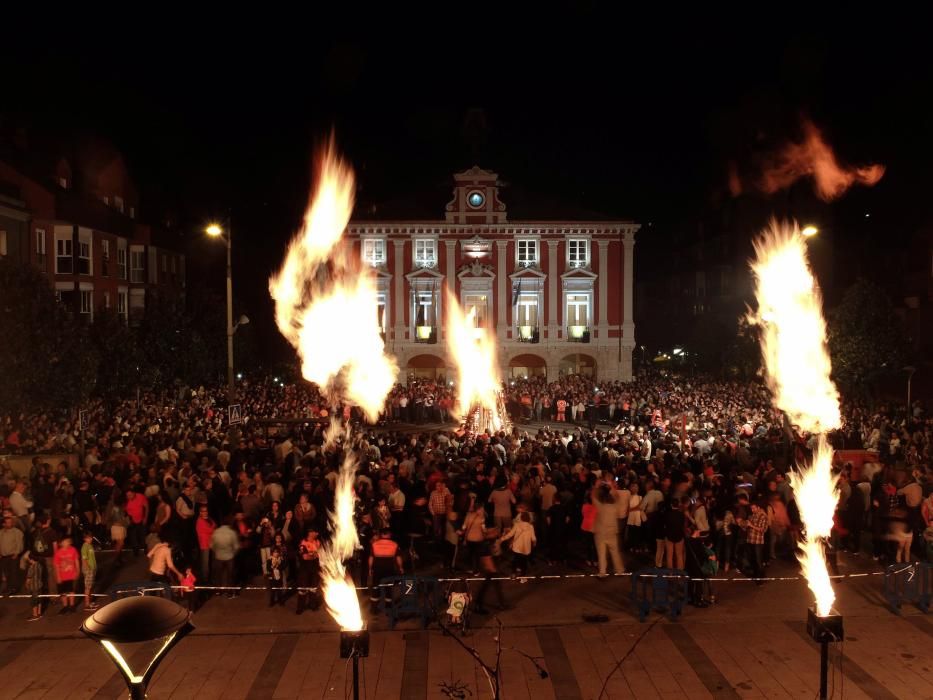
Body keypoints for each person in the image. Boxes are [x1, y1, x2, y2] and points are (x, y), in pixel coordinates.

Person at [592, 485, 625, 578]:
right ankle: (620, 570)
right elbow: (618, 497)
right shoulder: (614, 506)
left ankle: (602, 572)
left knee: (601, 553)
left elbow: (593, 496)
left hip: (600, 532)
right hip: (612, 532)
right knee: (615, 552)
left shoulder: (600, 506)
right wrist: (611, 487)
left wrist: (596, 485)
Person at [369, 528, 403, 612]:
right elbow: (398, 558)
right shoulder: (394, 544)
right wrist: (401, 567)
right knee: (388, 587)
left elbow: (371, 558)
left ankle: (373, 609)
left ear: (381, 534)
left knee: (376, 587)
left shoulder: (375, 544)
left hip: (377, 569)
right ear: (389, 534)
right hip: (389, 569)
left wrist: (370, 568)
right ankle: (388, 607)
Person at [499, 512, 536, 581]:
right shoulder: (531, 526)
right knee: (524, 562)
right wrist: (534, 543)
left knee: (515, 560)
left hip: (517, 547)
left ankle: (513, 574)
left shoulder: (517, 525)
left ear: (521, 518)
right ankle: (523, 577)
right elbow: (533, 538)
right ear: (528, 518)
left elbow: (510, 534)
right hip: (526, 548)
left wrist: (502, 539)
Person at [210, 517, 239, 597]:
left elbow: (212, 545)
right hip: (229, 556)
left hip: (218, 556)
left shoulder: (216, 532)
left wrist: (217, 551)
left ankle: (219, 591)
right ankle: (230, 591)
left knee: (218, 575)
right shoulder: (232, 533)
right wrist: (233, 553)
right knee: (230, 575)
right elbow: (236, 546)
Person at [296, 529, 322, 614]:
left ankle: (312, 605)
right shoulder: (303, 543)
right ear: (310, 533)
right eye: (315, 532)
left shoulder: (318, 542)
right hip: (305, 570)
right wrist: (315, 555)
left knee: (313, 589)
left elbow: (321, 554)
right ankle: (300, 607)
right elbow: (305, 557)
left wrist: (314, 555)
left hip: (315, 569)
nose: (317, 533)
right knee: (303, 589)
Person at [53, 536, 80, 613]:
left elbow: (76, 560)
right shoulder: (58, 553)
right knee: (63, 592)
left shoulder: (73, 550)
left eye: (68, 541)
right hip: (62, 576)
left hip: (71, 575)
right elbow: (56, 565)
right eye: (65, 541)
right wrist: (58, 576)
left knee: (71, 590)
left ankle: (72, 605)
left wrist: (78, 571)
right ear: (60, 543)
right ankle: (65, 606)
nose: (67, 543)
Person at [0, 514, 25, 595]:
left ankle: (14, 588)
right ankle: (8, 587)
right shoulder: (1, 532)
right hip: (4, 556)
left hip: (13, 556)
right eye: (7, 523)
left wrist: (17, 553)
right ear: (3, 524)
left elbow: (19, 543)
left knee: (13, 572)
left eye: (10, 522)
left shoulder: (17, 532)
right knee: (6, 573)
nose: (9, 524)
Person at [21, 550, 44, 621]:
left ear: (31, 559)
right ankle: (39, 613)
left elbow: (28, 579)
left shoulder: (31, 568)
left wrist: (26, 585)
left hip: (33, 587)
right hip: (39, 585)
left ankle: (35, 615)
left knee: (33, 601)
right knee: (39, 600)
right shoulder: (40, 565)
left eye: (29, 559)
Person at [80, 531, 99, 611]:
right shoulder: (85, 547)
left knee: (90, 586)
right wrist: (88, 569)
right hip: (88, 570)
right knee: (88, 587)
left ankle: (90, 602)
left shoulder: (90, 545)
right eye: (88, 538)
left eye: (91, 537)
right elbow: (84, 559)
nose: (90, 539)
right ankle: (87, 605)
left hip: (92, 568)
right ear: (84, 539)